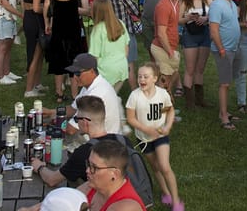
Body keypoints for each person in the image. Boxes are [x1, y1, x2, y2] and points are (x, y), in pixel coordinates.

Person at [33, 95, 123, 189]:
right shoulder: (123, 140)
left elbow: (51, 180)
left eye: (76, 119)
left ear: (85, 122)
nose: (76, 123)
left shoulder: (84, 153)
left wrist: (39, 167)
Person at [126, 63, 182, 211]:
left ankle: (176, 202)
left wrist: (168, 126)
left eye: (146, 76)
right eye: (139, 76)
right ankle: (166, 192)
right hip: (144, 139)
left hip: (160, 136)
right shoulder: (135, 96)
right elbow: (130, 118)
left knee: (164, 166)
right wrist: (146, 129)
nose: (141, 79)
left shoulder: (162, 94)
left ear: (154, 79)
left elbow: (169, 111)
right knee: (155, 167)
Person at [45, 0, 86, 103]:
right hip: (72, 21)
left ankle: (59, 93)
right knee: (74, 56)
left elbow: (50, 1)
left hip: (58, 22)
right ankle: (75, 94)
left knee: (59, 57)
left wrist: (47, 22)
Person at [61, 53, 125, 136]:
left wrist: (51, 123)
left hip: (103, 143)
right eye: (73, 73)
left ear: (91, 71)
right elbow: (72, 109)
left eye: (78, 73)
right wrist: (50, 112)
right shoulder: (90, 85)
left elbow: (71, 130)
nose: (75, 77)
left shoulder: (96, 94)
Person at [101, 0, 141, 91]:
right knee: (129, 65)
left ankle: (108, 89)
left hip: (111, 29)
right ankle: (135, 92)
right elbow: (135, 10)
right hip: (125, 31)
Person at [209, 0, 241, 130]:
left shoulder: (232, 4)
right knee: (224, 83)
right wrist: (221, 48)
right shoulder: (217, 5)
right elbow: (214, 30)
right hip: (223, 50)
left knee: (228, 82)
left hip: (232, 48)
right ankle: (223, 116)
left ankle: (225, 111)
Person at [80, 139, 147, 210]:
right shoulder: (91, 187)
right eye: (89, 164)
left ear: (114, 174)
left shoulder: (125, 207)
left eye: (95, 167)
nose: (87, 170)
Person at [177, 0, 211, 108]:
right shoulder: (185, 2)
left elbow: (214, 14)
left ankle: (199, 98)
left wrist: (205, 18)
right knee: (190, 68)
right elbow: (178, 20)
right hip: (190, 34)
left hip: (204, 33)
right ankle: (189, 101)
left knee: (200, 68)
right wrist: (188, 18)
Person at [151, 0, 183, 96]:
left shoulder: (175, 3)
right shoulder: (163, 6)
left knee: (168, 81)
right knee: (164, 81)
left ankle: (166, 110)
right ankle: (160, 111)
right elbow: (161, 33)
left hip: (170, 46)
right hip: (162, 47)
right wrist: (170, 52)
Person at [89, 0, 130, 93]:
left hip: (105, 71)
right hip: (122, 68)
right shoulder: (120, 23)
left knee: (102, 101)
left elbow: (94, 56)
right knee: (112, 96)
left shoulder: (97, 30)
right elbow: (126, 48)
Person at [20, 0, 49, 98]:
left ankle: (36, 83)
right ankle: (29, 88)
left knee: (36, 52)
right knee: (35, 54)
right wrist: (47, 7)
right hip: (35, 20)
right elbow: (37, 7)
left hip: (27, 18)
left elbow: (24, 4)